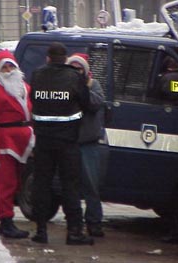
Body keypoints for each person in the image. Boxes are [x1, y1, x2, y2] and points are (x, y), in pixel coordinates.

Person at [30, 42, 94, 245]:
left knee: (42, 184)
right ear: (64, 59)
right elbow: (87, 103)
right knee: (70, 186)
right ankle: (74, 232)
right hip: (67, 141)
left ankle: (41, 231)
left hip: (43, 141)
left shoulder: (37, 75)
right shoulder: (73, 77)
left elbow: (33, 99)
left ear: (48, 58)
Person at [0, 50, 35, 239]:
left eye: (11, 66)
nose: (9, 70)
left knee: (18, 183)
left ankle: (9, 219)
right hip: (4, 144)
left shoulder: (25, 88)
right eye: (5, 67)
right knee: (6, 184)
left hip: (25, 142)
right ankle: (6, 222)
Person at [66, 53, 105, 237]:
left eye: (79, 68)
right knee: (71, 187)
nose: (76, 71)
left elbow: (96, 103)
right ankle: (75, 223)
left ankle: (94, 223)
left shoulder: (93, 84)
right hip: (70, 143)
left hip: (89, 144)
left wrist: (83, 90)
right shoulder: (64, 86)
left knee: (91, 186)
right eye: (72, 68)